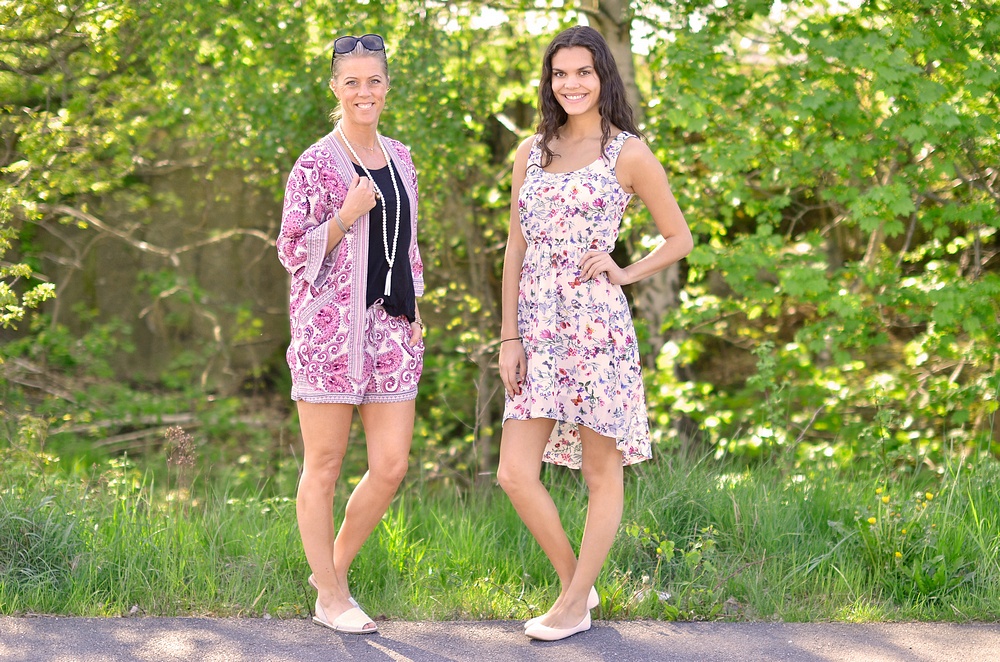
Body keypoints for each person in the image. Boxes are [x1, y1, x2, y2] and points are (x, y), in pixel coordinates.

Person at [497, 25, 693, 642]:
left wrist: (625, 271)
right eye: (560, 73)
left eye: (583, 71)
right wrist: (509, 337)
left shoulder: (627, 153)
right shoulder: (532, 152)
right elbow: (515, 248)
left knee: (601, 472)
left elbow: (680, 238)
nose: (571, 84)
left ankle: (573, 601)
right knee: (513, 472)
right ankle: (577, 589)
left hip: (595, 328)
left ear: (603, 75)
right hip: (536, 328)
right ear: (549, 82)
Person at [276, 33, 425, 634]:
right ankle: (333, 597)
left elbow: (408, 245)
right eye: (353, 82)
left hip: (391, 334)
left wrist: (415, 311)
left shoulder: (403, 157)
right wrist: (344, 215)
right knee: (325, 464)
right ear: (335, 88)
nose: (365, 91)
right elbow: (290, 250)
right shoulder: (315, 163)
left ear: (387, 87)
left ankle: (329, 575)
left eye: (375, 80)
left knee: (390, 466)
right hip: (330, 337)